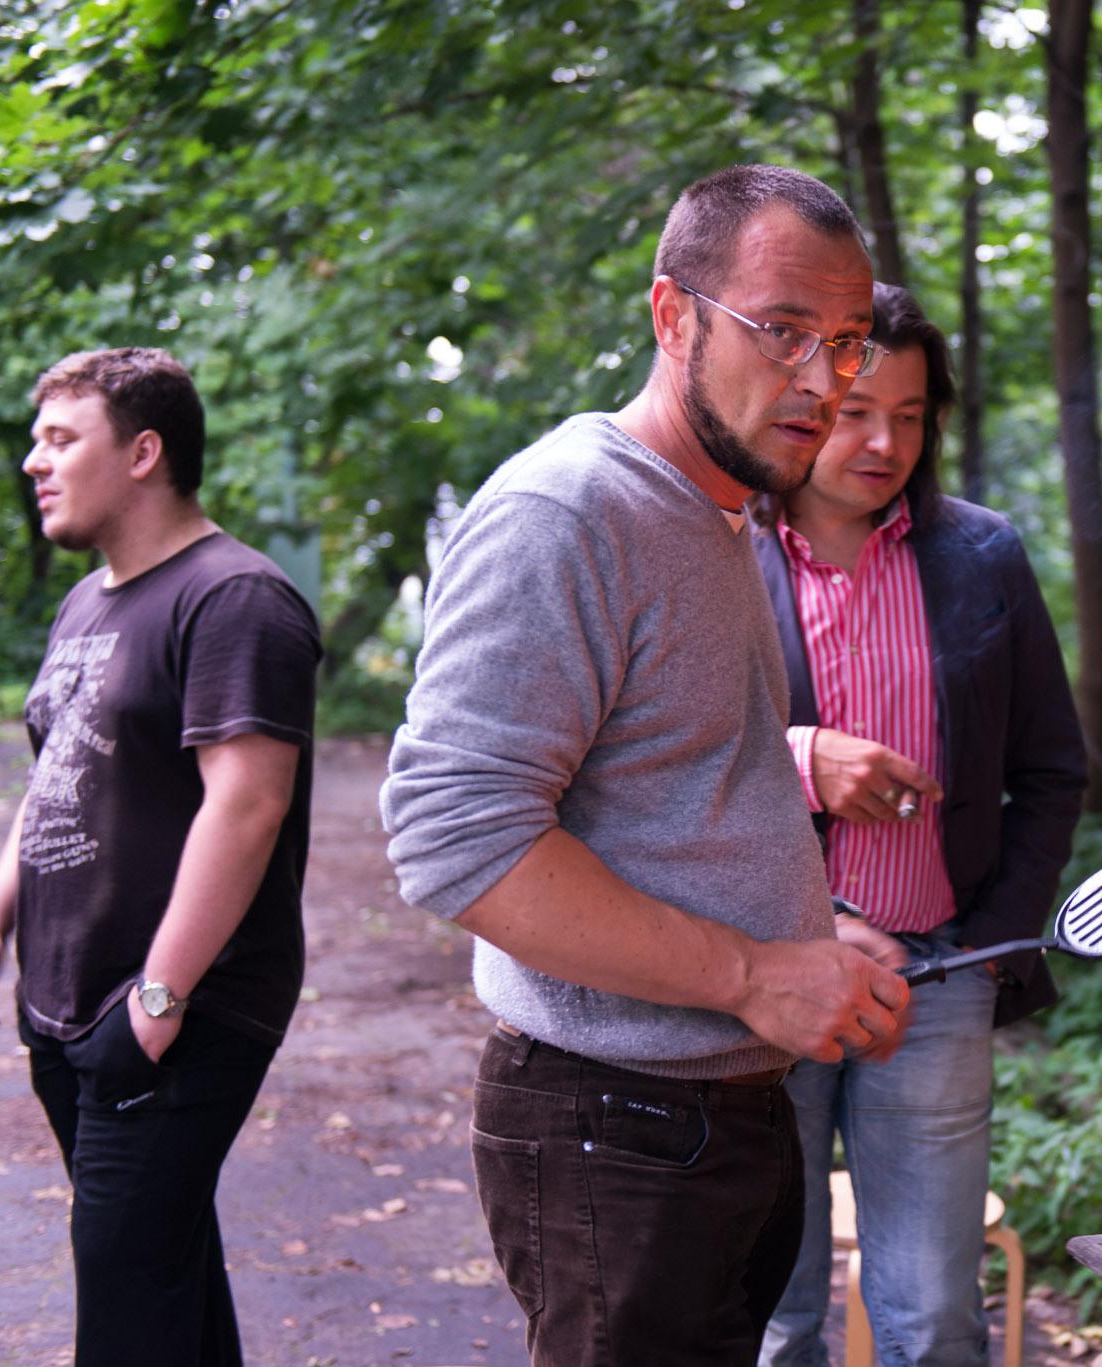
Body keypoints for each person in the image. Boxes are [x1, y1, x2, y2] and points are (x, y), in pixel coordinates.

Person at [378, 164, 913, 1366]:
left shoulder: (716, 509)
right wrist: (751, 970)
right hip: (607, 1123)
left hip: (713, 1116)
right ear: (672, 316)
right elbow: (454, 835)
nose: (824, 381)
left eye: (843, 341)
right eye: (781, 331)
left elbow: (657, 787)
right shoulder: (568, 513)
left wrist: (807, 933)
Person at [0, 347, 322, 1365]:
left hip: (173, 1010)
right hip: (72, 1003)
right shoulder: (89, 604)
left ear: (144, 452)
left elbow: (246, 805)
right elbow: (59, 782)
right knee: (162, 1274)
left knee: (122, 1305)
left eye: (61, 438)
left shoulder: (234, 598)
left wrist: (157, 1000)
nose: (33, 460)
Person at [754, 285, 1088, 1367]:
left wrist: (991, 946)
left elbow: (1050, 769)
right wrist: (805, 757)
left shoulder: (982, 556)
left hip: (937, 981)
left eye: (910, 414)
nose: (883, 440)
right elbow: (652, 766)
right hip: (766, 971)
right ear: (803, 402)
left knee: (934, 1318)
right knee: (772, 1312)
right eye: (856, 411)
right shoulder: (712, 552)